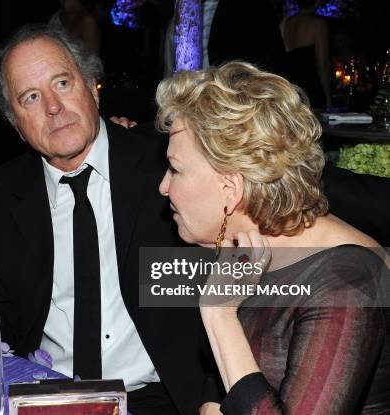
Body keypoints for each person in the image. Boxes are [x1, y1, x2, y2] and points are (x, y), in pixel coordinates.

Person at [0, 25, 213, 415]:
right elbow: (7, 313)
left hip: (159, 398)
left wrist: (216, 397)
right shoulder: (2, 196)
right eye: (30, 97)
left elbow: (236, 282)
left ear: (91, 86)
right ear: (14, 121)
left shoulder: (165, 167)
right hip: (47, 395)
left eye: (62, 83)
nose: (52, 106)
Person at [156, 61, 389, 413]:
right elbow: (222, 373)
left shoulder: (346, 282)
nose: (163, 186)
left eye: (176, 169)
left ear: (230, 188)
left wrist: (219, 316)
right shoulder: (244, 249)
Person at [280, 0, 331, 109]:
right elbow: (322, 64)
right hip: (310, 86)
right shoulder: (318, 24)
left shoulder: (287, 22)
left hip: (290, 86)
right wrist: (328, 97)